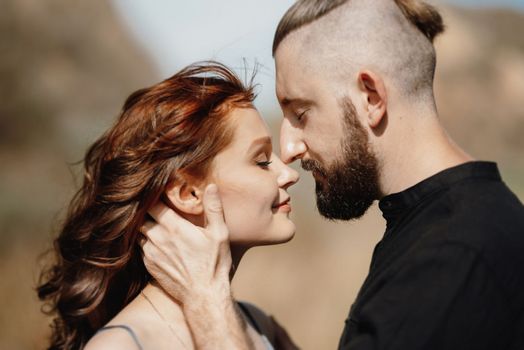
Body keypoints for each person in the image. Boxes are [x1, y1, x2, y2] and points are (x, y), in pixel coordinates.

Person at [139, 0, 524, 349]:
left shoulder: (454, 256)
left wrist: (208, 305)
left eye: (301, 113)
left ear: (371, 98)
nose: (288, 148)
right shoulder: (437, 227)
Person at [37, 62, 301, 350]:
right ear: (187, 193)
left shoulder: (258, 324)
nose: (289, 174)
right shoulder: (120, 346)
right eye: (261, 160)